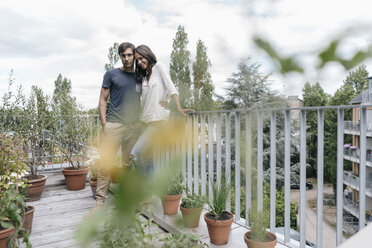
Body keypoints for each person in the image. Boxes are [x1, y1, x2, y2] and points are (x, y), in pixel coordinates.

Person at [130, 45, 194, 177]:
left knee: (134, 153)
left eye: (141, 58)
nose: (140, 62)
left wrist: (179, 107)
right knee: (148, 157)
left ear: (147, 54)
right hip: (145, 122)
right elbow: (142, 99)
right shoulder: (144, 77)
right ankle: (151, 193)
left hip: (158, 122)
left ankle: (145, 188)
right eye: (137, 60)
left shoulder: (159, 68)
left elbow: (170, 87)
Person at [94, 42, 141, 210]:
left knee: (128, 165)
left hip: (133, 127)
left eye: (129, 55)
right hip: (114, 124)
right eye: (124, 55)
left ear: (134, 55)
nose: (127, 58)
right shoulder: (111, 74)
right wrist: (104, 123)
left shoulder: (139, 76)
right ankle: (100, 201)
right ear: (120, 56)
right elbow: (102, 99)